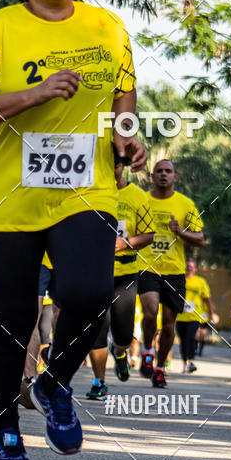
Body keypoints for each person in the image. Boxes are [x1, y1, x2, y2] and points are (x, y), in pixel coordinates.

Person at [0, 0, 146, 460]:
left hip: (85, 186)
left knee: (87, 291)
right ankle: (5, 429)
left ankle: (54, 378)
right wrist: (36, 94)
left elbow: (122, 100)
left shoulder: (108, 28)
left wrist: (127, 135)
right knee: (12, 315)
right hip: (9, 194)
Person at [86, 148, 153, 399]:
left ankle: (121, 352)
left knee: (123, 333)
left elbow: (149, 235)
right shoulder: (90, 192)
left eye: (114, 165)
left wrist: (125, 243)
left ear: (122, 165)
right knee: (97, 329)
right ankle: (98, 381)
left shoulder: (137, 196)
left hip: (126, 272)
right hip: (96, 271)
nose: (109, 171)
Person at [138, 160, 204, 388]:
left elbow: (201, 238)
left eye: (168, 171)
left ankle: (159, 369)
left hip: (174, 271)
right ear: (152, 176)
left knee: (168, 326)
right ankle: (147, 350)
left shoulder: (185, 204)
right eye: (159, 171)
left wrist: (181, 232)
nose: (164, 175)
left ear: (176, 177)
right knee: (149, 312)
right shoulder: (142, 200)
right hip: (147, 267)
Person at [19, 253, 56, 409]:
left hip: (66, 257)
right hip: (38, 260)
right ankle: (30, 380)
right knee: (31, 319)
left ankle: (56, 372)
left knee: (66, 317)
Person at [175, 258, 217, 374]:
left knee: (191, 337)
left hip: (194, 316)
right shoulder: (180, 280)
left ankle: (191, 361)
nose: (189, 268)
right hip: (180, 316)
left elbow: (207, 299)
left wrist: (211, 314)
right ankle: (185, 363)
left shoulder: (200, 282)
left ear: (195, 269)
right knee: (183, 340)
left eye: (191, 267)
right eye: (187, 266)